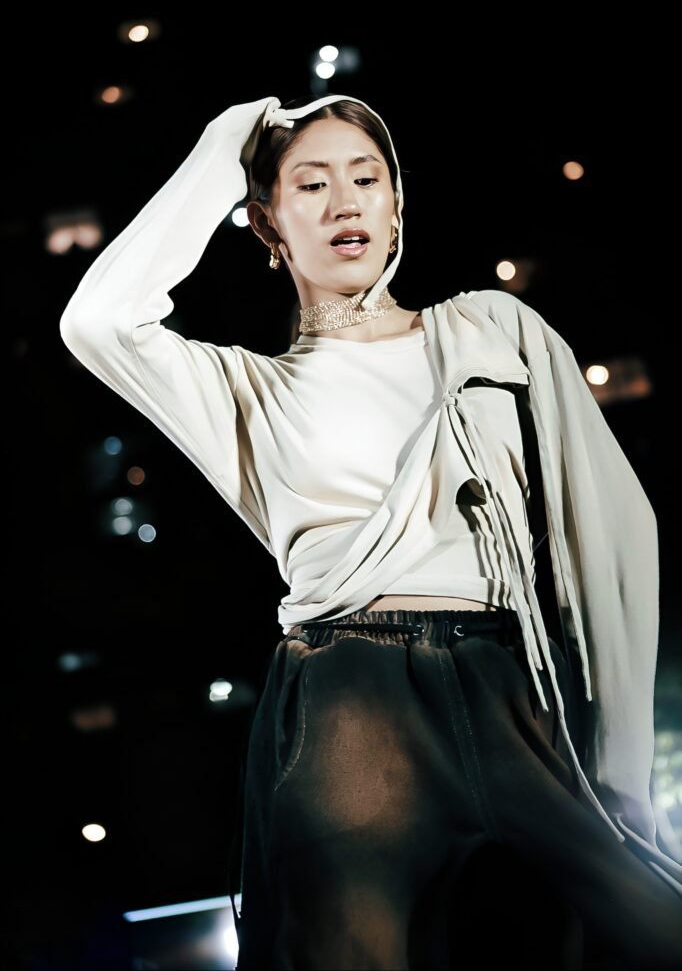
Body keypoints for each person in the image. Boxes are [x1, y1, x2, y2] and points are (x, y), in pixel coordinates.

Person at [59, 92, 682, 969]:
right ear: (267, 224)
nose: (344, 202)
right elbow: (97, 322)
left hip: (511, 684)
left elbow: (609, 531)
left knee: (641, 933)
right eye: (311, 186)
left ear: (396, 204)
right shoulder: (248, 390)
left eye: (366, 178)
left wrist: (616, 764)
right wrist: (225, 145)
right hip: (351, 697)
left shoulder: (492, 331)